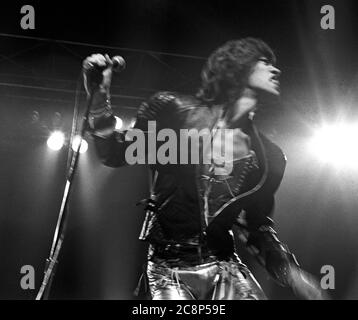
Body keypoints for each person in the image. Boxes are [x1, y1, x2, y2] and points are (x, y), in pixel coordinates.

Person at [82, 38, 325, 300]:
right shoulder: (175, 112)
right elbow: (114, 152)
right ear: (237, 67)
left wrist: (290, 273)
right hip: (169, 270)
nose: (275, 70)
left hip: (225, 266)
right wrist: (98, 96)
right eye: (264, 62)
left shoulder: (270, 158)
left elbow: (256, 226)